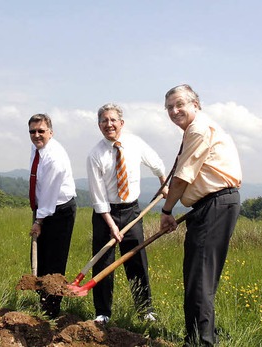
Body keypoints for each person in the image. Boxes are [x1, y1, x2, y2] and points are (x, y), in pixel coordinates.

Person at [159, 84, 242, 346]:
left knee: (198, 277)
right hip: (213, 204)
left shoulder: (198, 129)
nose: (174, 110)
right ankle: (206, 333)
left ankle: (200, 341)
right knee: (202, 276)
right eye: (169, 107)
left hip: (214, 204)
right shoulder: (198, 128)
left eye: (179, 104)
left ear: (196, 104)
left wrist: (167, 209)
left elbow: (183, 178)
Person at [86, 103, 167, 324]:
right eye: (104, 120)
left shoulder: (135, 143)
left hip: (132, 212)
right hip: (106, 215)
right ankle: (103, 313)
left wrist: (163, 182)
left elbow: (157, 163)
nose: (108, 124)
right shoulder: (95, 154)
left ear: (121, 123)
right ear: (99, 125)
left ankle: (145, 310)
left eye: (113, 120)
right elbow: (98, 196)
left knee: (136, 260)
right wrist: (111, 224)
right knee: (103, 263)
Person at [27, 113, 77, 318]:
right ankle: (43, 304)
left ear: (51, 132)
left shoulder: (54, 157)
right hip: (44, 208)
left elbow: (49, 193)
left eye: (41, 131)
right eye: (32, 131)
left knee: (54, 263)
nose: (37, 135)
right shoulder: (38, 148)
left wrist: (39, 221)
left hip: (59, 210)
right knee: (42, 260)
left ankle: (52, 311)